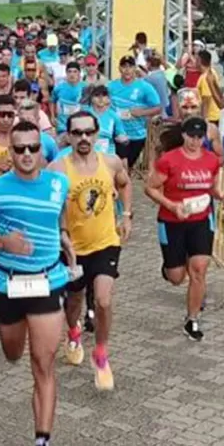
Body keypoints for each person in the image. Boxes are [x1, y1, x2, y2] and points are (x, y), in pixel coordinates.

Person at [0, 121, 75, 446]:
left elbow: (59, 214)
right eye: (19, 149)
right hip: (8, 284)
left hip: (48, 280)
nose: (27, 155)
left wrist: (62, 236)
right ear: (9, 152)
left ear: (43, 150)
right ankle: (15, 344)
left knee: (43, 365)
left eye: (33, 148)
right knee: (13, 353)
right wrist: (2, 243)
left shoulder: (59, 183)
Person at [49, 111, 132, 390]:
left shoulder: (110, 162)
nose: (83, 138)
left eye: (88, 132)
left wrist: (126, 215)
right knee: (74, 302)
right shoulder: (58, 168)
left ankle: (101, 353)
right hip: (73, 248)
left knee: (103, 300)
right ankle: (73, 332)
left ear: (96, 134)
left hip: (106, 242)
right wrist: (61, 233)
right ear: (68, 136)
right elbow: (53, 206)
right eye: (77, 133)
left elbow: (125, 182)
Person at [145, 117, 223, 342]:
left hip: (201, 220)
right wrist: (172, 205)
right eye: (191, 136)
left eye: (200, 137)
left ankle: (192, 319)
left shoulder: (211, 160)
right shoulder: (169, 160)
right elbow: (150, 188)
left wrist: (219, 195)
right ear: (183, 135)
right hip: (171, 221)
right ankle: (171, 267)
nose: (195, 141)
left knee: (199, 269)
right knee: (177, 277)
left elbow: (212, 186)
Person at [107, 56, 162, 173]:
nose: (127, 70)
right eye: (124, 67)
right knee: (120, 166)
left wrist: (142, 112)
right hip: (117, 133)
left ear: (135, 69)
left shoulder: (144, 87)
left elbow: (158, 107)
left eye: (130, 67)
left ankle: (125, 187)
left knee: (128, 168)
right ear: (119, 69)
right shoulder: (111, 86)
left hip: (137, 134)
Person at [50, 61, 88, 138]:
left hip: (80, 127)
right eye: (69, 71)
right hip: (62, 127)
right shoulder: (59, 87)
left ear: (79, 73)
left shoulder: (85, 87)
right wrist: (52, 116)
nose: (72, 74)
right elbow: (52, 101)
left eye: (75, 71)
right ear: (66, 73)